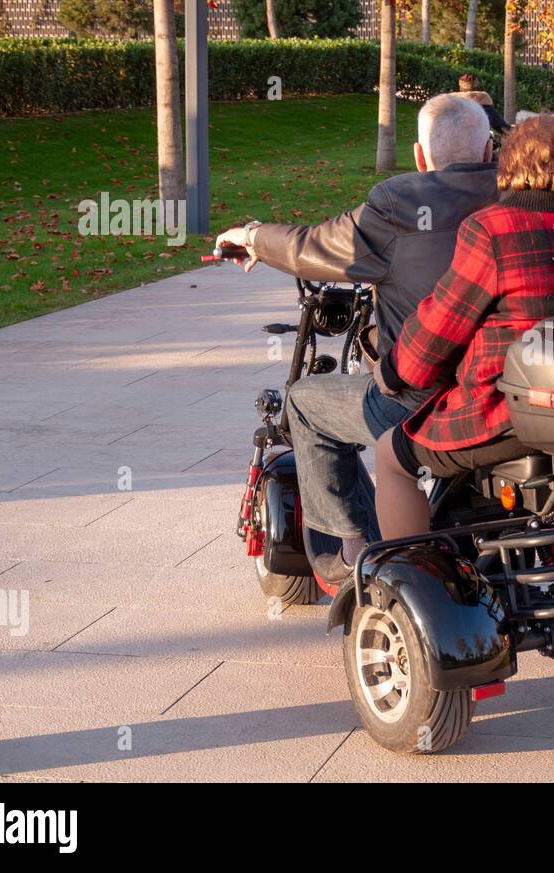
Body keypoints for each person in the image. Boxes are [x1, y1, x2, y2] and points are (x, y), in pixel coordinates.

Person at [212, 93, 498, 582]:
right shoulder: (522, 194)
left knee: (304, 402)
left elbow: (313, 247)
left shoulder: (400, 201)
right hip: (512, 387)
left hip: (426, 397)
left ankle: (350, 552)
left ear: (419, 156)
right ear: (490, 150)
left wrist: (253, 235)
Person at [371, 113, 554, 540]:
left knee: (391, 457)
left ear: (506, 163)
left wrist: (392, 372)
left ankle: (406, 570)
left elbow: (440, 326)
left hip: (506, 412)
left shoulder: (492, 228)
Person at [455, 73, 511, 145]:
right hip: (477, 149)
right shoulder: (484, 103)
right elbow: (503, 128)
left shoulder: (449, 103)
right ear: (478, 88)